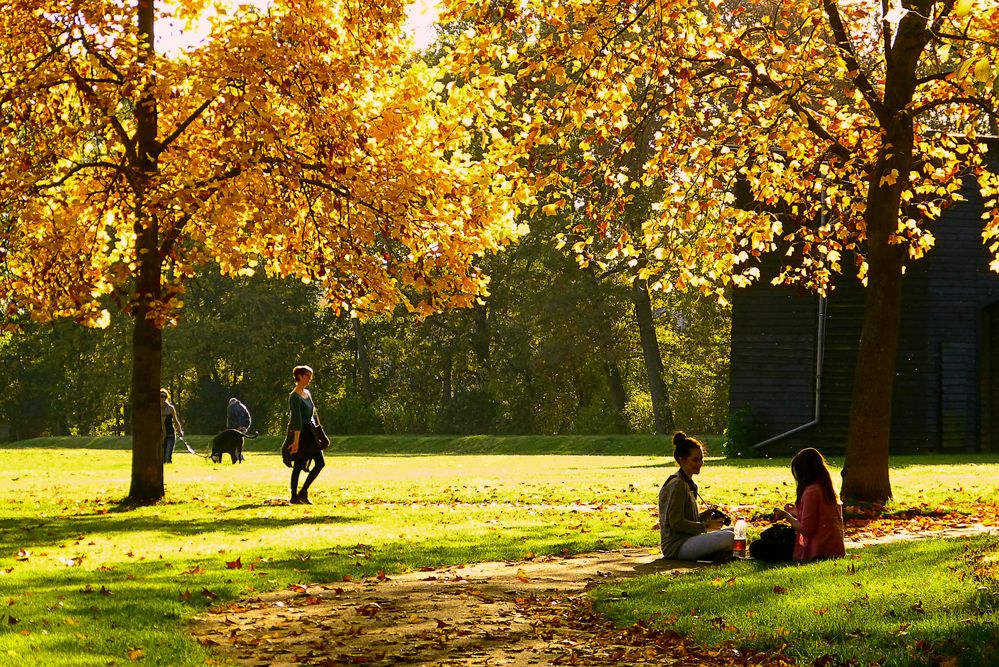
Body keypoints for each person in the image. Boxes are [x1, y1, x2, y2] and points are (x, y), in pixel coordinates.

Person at [658, 431, 735, 560]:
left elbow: (690, 519)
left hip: (690, 539)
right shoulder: (677, 484)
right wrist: (705, 526)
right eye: (695, 459)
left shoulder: (690, 484)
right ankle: (716, 554)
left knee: (736, 531)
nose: (699, 463)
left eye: (701, 459)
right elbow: (676, 523)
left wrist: (706, 515)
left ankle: (715, 555)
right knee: (730, 537)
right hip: (677, 546)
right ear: (682, 460)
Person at [772, 447, 846, 562]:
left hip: (819, 550)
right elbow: (818, 517)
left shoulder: (811, 491)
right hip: (833, 548)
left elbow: (806, 529)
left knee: (759, 545)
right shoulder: (826, 488)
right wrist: (795, 512)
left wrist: (786, 516)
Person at [287, 365, 325, 505]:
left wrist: (319, 432)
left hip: (311, 432)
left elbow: (314, 413)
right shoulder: (295, 396)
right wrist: (295, 441)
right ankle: (294, 496)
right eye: (307, 376)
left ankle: (303, 492)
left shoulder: (307, 393)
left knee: (320, 463)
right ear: (300, 376)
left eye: (310, 376)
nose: (309, 379)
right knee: (298, 465)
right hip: (301, 433)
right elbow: (296, 419)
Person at [160, 389, 184, 464]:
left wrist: (179, 431)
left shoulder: (170, 408)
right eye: (161, 396)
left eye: (165, 396)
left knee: (168, 457)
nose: (163, 398)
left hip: (170, 434)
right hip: (160, 435)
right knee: (162, 458)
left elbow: (176, 421)